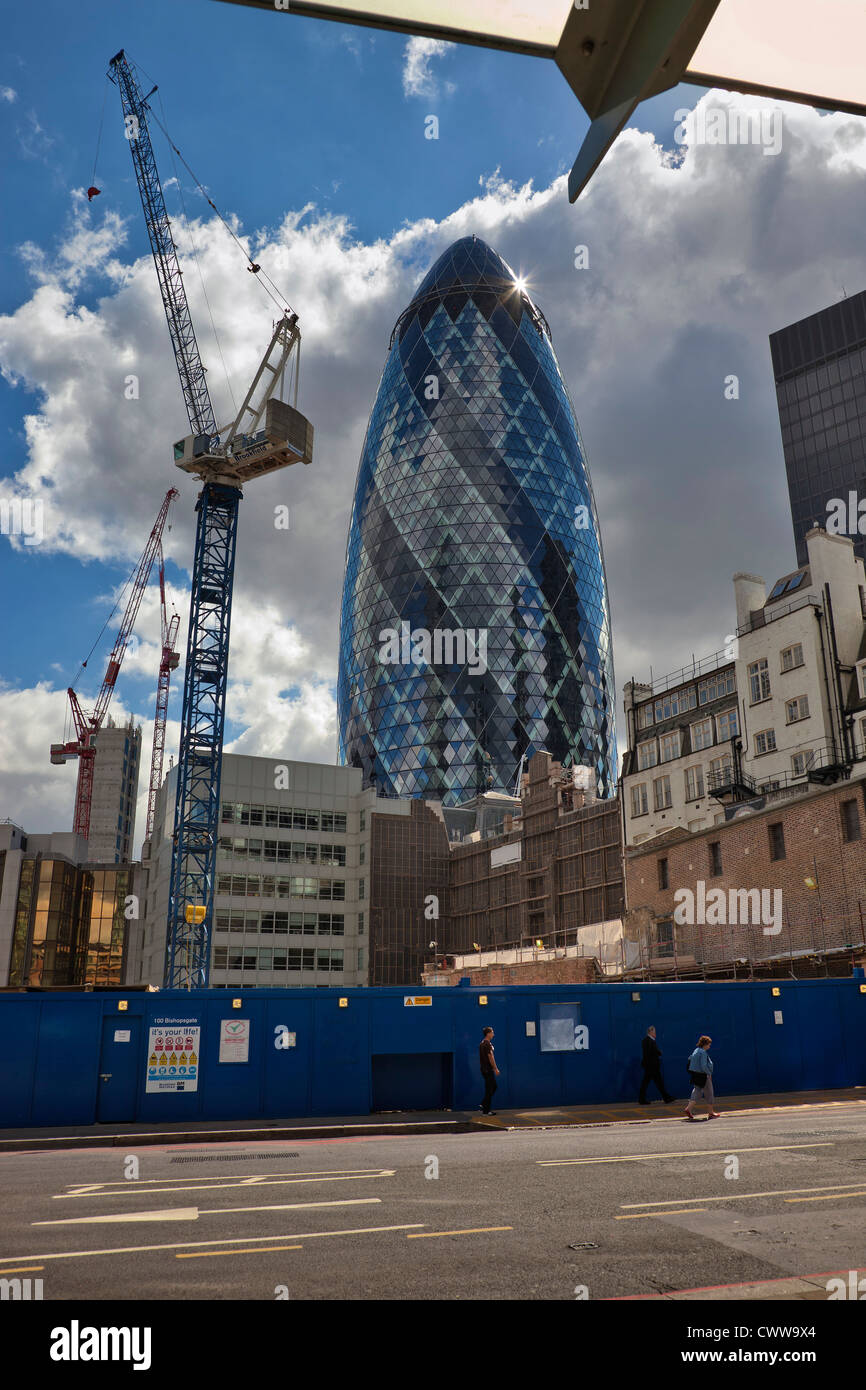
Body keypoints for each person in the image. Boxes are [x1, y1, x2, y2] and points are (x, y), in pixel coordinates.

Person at [685, 1034, 720, 1120]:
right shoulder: (703, 1053)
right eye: (709, 1044)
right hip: (703, 1075)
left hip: (696, 1075)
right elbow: (704, 1066)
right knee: (709, 1093)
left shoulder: (696, 1050)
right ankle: (711, 1113)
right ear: (705, 1044)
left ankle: (688, 1109)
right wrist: (709, 1073)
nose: (709, 1046)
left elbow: (690, 1059)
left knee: (697, 1091)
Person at [639, 1024, 674, 1104]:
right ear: (650, 1032)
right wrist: (658, 1052)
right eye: (654, 1031)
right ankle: (666, 1098)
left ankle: (666, 1097)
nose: (655, 1033)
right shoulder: (648, 1041)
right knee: (651, 1082)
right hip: (651, 1066)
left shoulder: (648, 1040)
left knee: (656, 1082)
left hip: (651, 1066)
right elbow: (649, 1053)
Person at [479, 1025, 499, 1115]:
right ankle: (485, 1106)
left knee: (490, 1088)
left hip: (483, 1069)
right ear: (488, 1034)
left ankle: (485, 1109)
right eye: (492, 1033)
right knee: (492, 1088)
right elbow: (491, 1057)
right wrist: (495, 1068)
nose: (493, 1034)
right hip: (488, 1070)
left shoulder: (482, 1043)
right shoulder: (487, 1044)